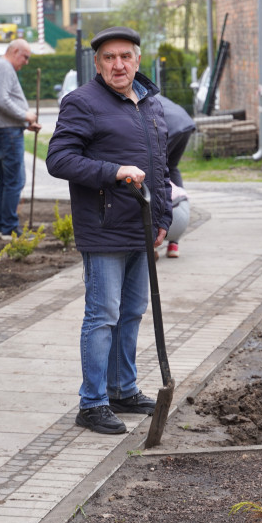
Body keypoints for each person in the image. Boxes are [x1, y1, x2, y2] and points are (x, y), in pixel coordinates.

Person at [46, 26, 172, 435]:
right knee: (102, 316)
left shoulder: (150, 103)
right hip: (103, 229)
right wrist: (113, 172)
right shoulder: (82, 103)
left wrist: (163, 218)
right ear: (97, 63)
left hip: (141, 227)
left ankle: (122, 389)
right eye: (108, 58)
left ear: (138, 60)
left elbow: (160, 167)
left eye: (125, 57)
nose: (118, 64)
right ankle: (92, 402)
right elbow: (59, 159)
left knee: (132, 313)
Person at [0, 39, 42, 239]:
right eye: (25, 57)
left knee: (4, 180)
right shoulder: (4, 68)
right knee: (15, 180)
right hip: (6, 131)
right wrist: (26, 116)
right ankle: (9, 229)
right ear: (15, 51)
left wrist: (25, 123)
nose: (26, 62)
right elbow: (3, 100)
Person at [156, 94, 195, 258]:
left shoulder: (133, 96)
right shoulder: (149, 92)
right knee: (171, 168)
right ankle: (174, 243)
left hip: (169, 129)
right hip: (185, 123)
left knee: (156, 174)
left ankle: (153, 240)